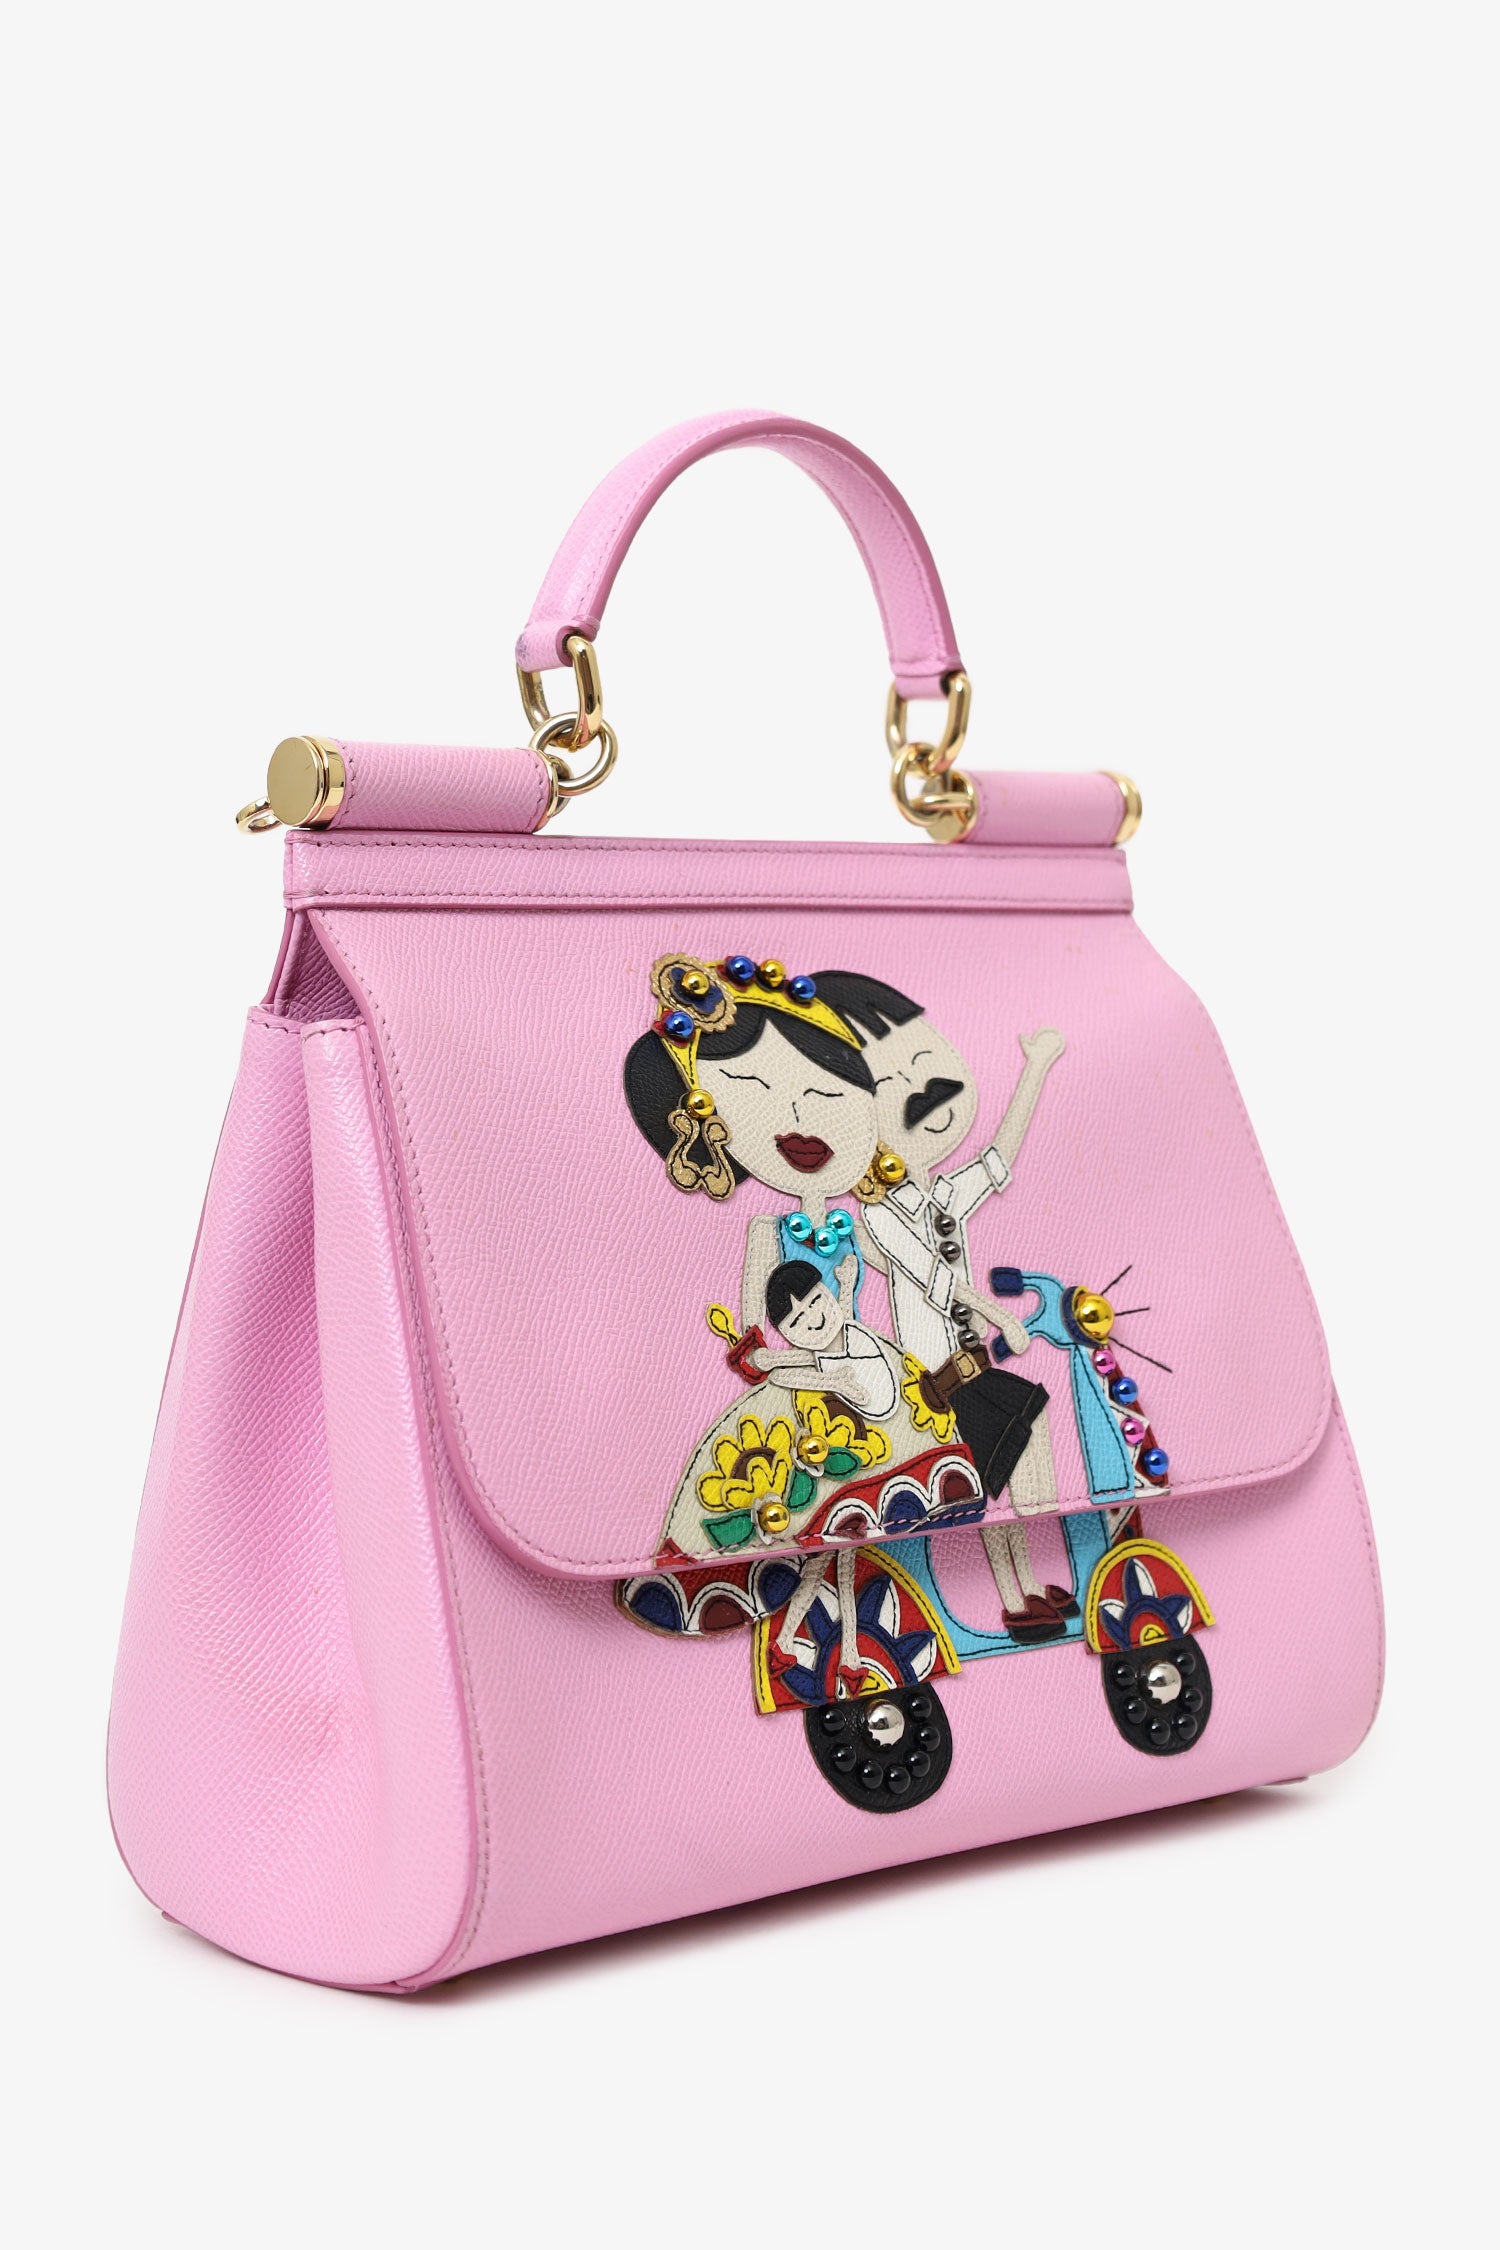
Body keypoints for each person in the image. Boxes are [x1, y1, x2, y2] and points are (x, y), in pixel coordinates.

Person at [814, 972, 1075, 1645]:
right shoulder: (879, 1215)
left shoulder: (939, 1199)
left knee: (1021, 1447)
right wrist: (1000, 1315)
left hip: (970, 1367)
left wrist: (1036, 1067)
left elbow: (998, 1158)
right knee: (997, 1465)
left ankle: (1031, 1581)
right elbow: (935, 1280)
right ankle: (1014, 1596)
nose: (924, 1094)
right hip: (936, 1382)